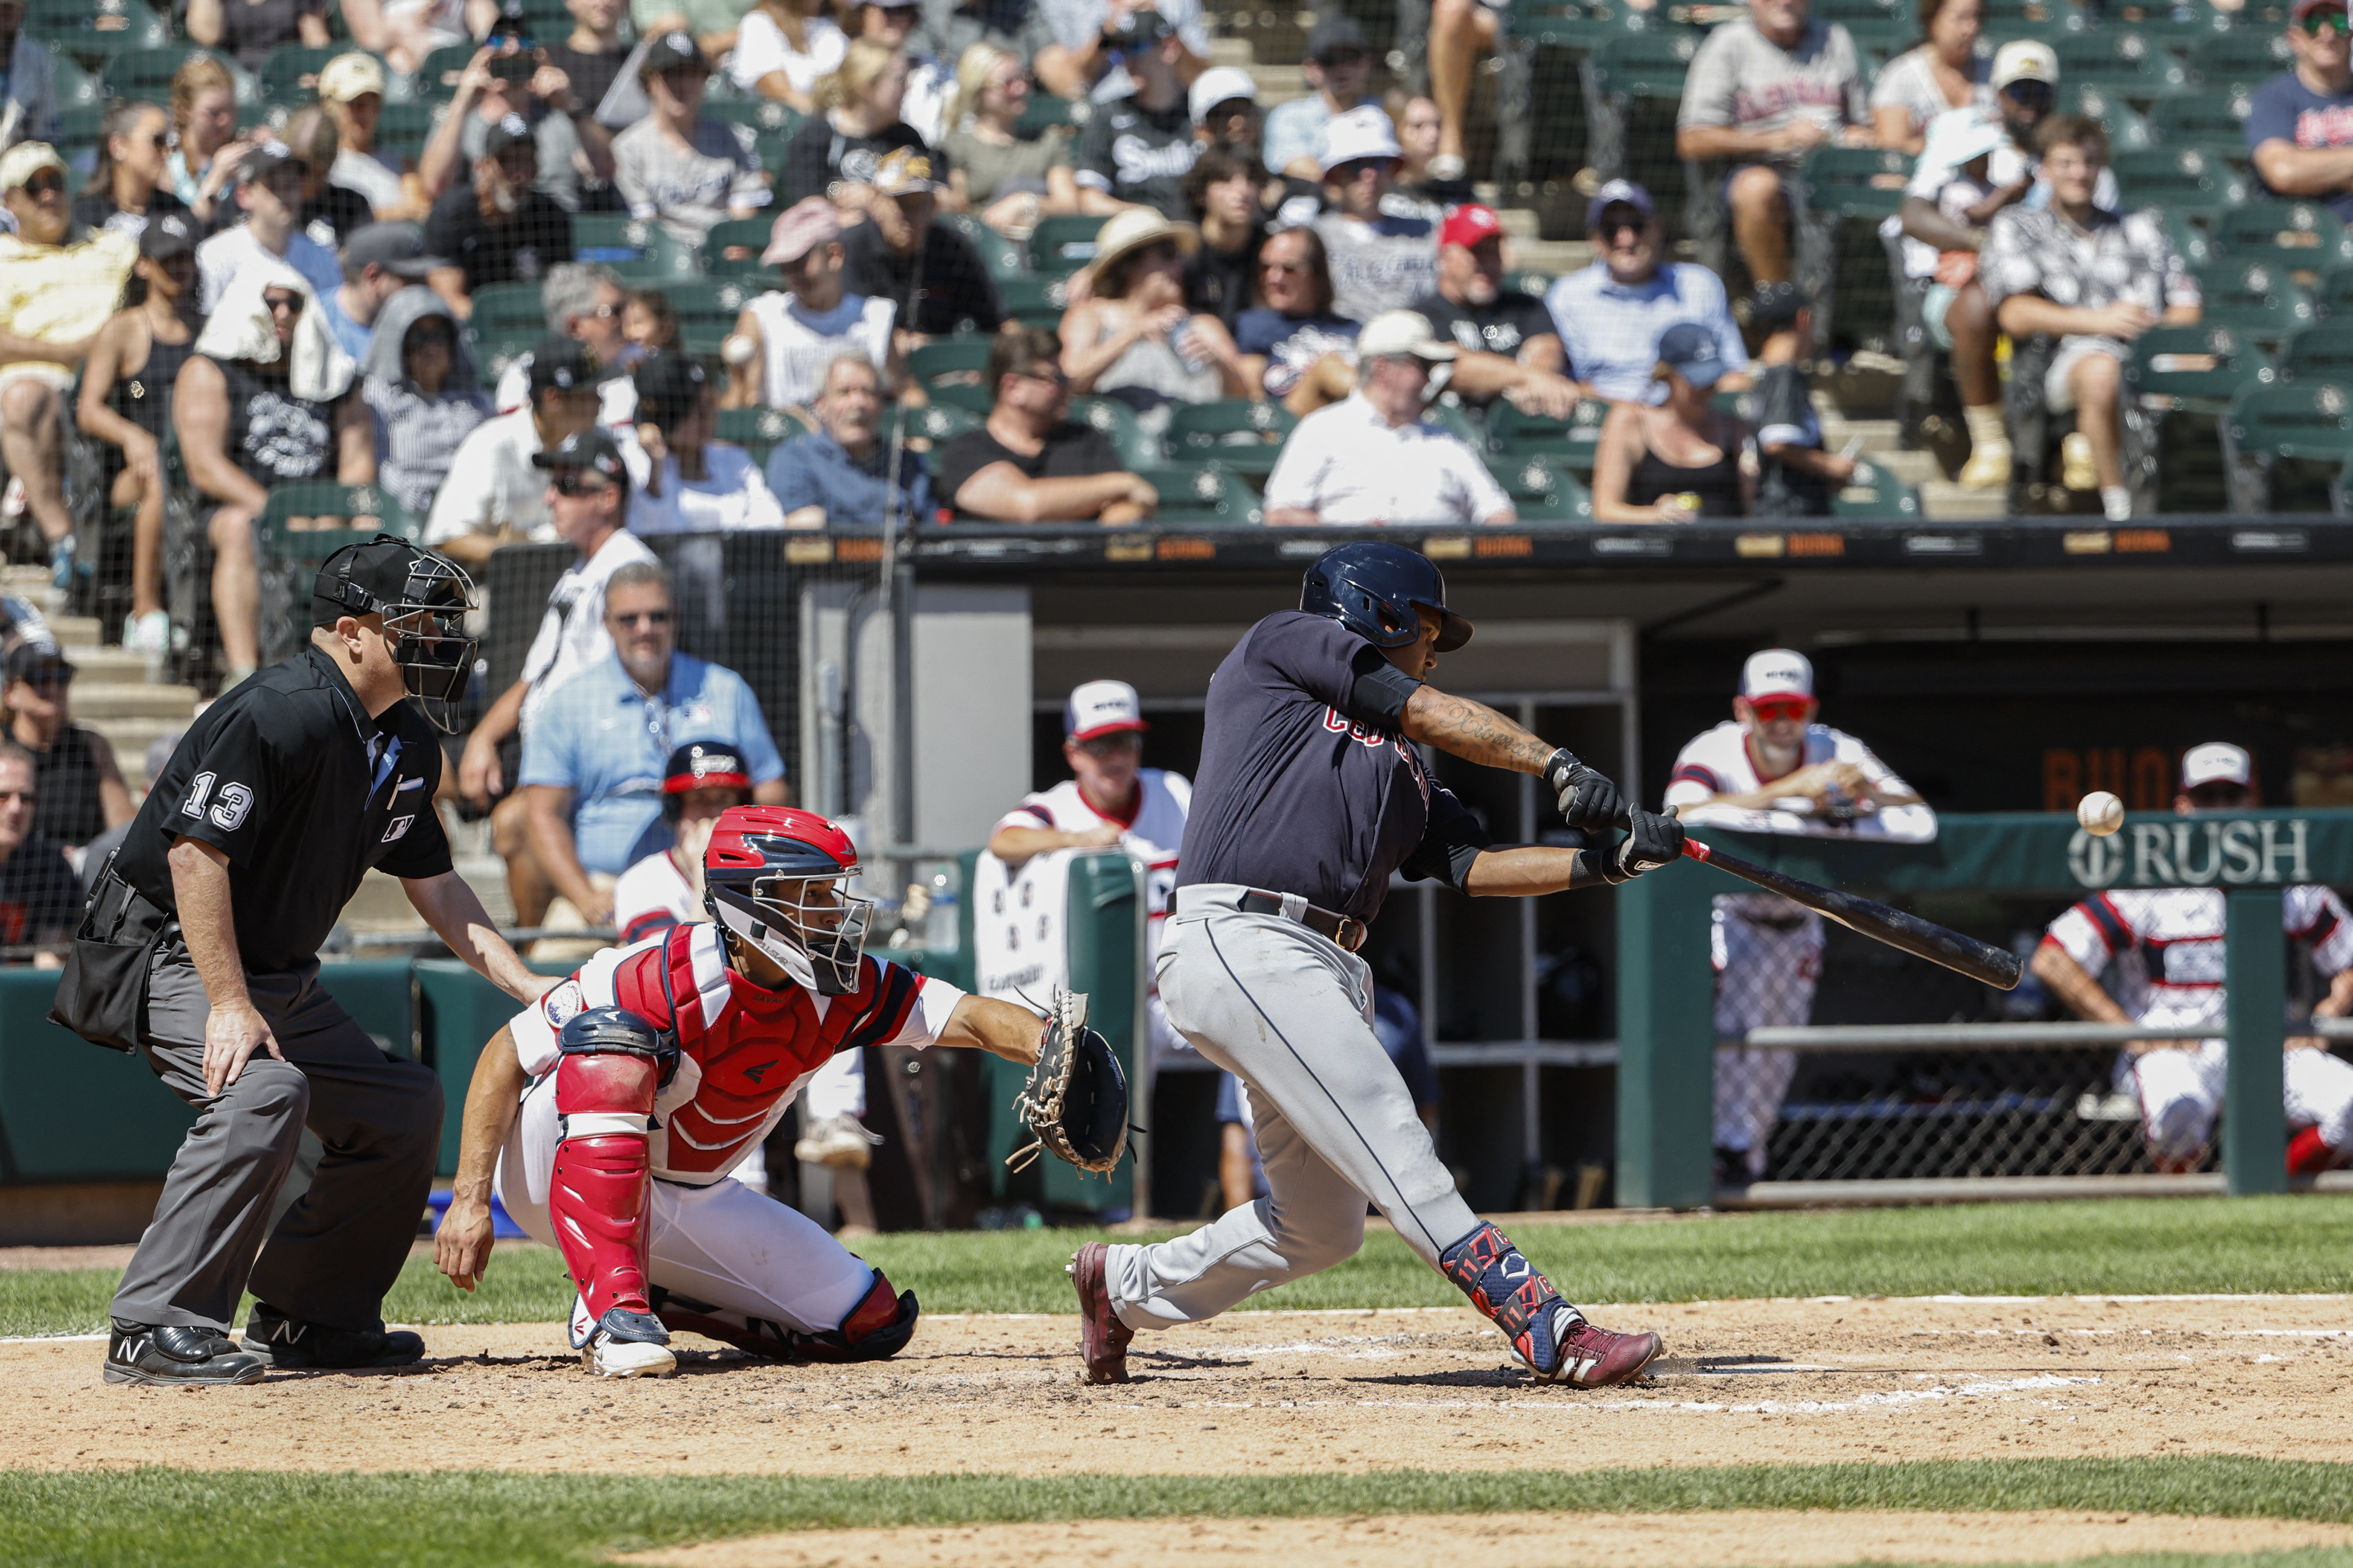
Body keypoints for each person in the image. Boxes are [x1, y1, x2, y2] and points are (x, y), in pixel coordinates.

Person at [1068, 542, 1677, 1388]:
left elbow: (1473, 865)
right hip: (1245, 937)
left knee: (1321, 1227)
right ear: (1377, 609)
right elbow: (1418, 704)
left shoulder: (1405, 772)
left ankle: (1124, 1288)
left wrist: (1607, 865)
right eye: (1428, 626)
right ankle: (1548, 1325)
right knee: (1392, 1127)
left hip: (1321, 965)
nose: (1434, 646)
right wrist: (1557, 763)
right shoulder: (1281, 645)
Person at [74, 539, 549, 1386]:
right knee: (264, 1089)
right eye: (418, 625)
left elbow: (438, 889)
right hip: (170, 952)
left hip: (275, 972)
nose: (440, 640)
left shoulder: (405, 741)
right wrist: (227, 1001)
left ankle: (310, 1315)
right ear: (352, 633)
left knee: (403, 1106)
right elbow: (193, 856)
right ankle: (152, 1326)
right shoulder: (277, 711)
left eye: (444, 624)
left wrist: (528, 985)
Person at [434, 805, 1048, 1379]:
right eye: (811, 893)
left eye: (831, 891)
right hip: (550, 1174)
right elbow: (505, 1053)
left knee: (870, 1323)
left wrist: (1051, 1048)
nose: (833, 910)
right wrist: (469, 1200)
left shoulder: (843, 983)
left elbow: (965, 1015)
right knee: (613, 1036)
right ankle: (613, 1312)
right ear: (751, 902)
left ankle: (658, 1295)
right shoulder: (659, 973)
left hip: (685, 1190)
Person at [1662, 647, 1928, 1187]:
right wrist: (1791, 793)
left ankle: (1744, 1169)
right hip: (1729, 919)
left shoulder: (1835, 749)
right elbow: (1676, 816)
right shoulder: (1712, 749)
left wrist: (1853, 805)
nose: (1782, 721)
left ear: (1810, 709)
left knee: (1773, 1059)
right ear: (1743, 710)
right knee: (1719, 1046)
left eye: (1793, 707)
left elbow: (1916, 819)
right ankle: (1696, 1169)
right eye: (1768, 709)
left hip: (1800, 925)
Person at [2034, 743, 2353, 1178]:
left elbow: (2349, 957)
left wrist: (2326, 1015)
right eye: (2208, 797)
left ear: (2252, 802)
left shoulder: (2285, 881)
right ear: (2183, 807)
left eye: (2231, 795)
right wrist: (2132, 1033)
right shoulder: (2149, 881)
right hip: (2176, 1049)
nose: (2220, 808)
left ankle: (2271, 1193)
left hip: (2267, 1047)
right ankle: (2184, 1204)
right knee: (2177, 1110)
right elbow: (2054, 958)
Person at [520, 559, 788, 934]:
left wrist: (749, 871)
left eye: (657, 617)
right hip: (605, 889)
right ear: (607, 623)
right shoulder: (569, 702)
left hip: (721, 882)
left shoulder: (727, 689)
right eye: (629, 619)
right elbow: (541, 814)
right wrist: (585, 898)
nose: (645, 629)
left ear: (675, 618)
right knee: (558, 978)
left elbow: (770, 788)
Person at [457, 428, 657, 925]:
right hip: (536, 742)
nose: (551, 497)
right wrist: (482, 738)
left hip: (588, 753)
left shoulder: (630, 570)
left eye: (567, 485)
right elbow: (534, 676)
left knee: (513, 823)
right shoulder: (579, 569)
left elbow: (626, 687)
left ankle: (532, 947)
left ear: (608, 497)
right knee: (410, 769)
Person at [1982, 115, 2199, 523]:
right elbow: (2015, 313)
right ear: (2044, 169)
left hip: (2148, 347)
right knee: (2104, 371)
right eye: (2066, 163)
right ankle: (2122, 506)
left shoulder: (2141, 227)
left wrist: (2154, 333)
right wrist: (2100, 322)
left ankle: (2200, 498)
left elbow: (2188, 305)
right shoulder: (2018, 226)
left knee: (2202, 366)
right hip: (2063, 358)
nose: (2079, 173)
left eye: (2089, 162)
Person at [175, 262, 373, 686]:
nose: (283, 314)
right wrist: (280, 513)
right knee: (239, 527)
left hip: (321, 515)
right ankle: (245, 672)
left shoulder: (336, 377)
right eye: (272, 303)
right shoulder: (212, 370)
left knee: (372, 529)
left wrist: (329, 518)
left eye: (294, 304)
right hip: (239, 512)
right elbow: (205, 467)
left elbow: (358, 465)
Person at [987, 678, 1189, 1064]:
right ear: (1074, 753)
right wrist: (1077, 838)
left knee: (1257, 1045)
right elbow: (1004, 840)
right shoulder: (1055, 806)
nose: (1116, 756)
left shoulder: (1172, 790)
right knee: (1119, 1109)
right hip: (1109, 1005)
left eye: (1126, 741)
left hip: (1180, 992)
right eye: (1101, 745)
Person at [0, 143, 140, 598]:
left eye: (54, 183)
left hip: (113, 382)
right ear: (10, 202)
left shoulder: (109, 245)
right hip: (28, 381)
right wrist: (67, 353)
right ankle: (62, 535)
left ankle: (32, 493)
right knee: (26, 397)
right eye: (33, 187)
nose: (48, 196)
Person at [1675, 0, 1872, 288]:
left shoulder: (1835, 38)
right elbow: (1692, 138)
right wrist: (1778, 140)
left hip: (1833, 175)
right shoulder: (1728, 44)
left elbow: (1863, 123)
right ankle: (1779, 303)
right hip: (1765, 172)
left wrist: (1856, 135)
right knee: (1756, 188)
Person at [78, 214, 202, 666]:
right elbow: (88, 408)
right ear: (145, 266)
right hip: (130, 477)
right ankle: (146, 611)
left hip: (199, 468)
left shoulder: (209, 329)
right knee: (155, 481)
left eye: (186, 258)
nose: (179, 269)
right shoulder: (125, 329)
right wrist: (132, 436)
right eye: (169, 260)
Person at [1263, 309, 1513, 528]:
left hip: (1440, 575)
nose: (1429, 380)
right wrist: (1348, 538)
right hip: (1351, 574)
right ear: (1382, 369)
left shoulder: (1447, 441)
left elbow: (1499, 513)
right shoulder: (1322, 429)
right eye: (1424, 367)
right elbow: (1280, 514)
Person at [1544, 180, 1751, 406]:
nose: (1627, 240)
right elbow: (1566, 382)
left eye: (1637, 225)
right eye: (1610, 230)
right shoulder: (1568, 295)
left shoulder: (1699, 285)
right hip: (1604, 419)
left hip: (1689, 417)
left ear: (1658, 228)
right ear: (1594, 240)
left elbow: (1734, 373)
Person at [935, 325, 1155, 522]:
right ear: (1013, 388)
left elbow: (1127, 506)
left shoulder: (1086, 442)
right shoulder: (967, 450)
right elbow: (1026, 506)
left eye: (1066, 379)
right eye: (1055, 380)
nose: (1067, 389)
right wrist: (1122, 483)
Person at [425, 336, 605, 565]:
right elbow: (446, 537)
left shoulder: (599, 443)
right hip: (495, 586)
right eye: (588, 395)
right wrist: (523, 559)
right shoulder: (491, 444)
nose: (600, 402)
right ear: (554, 399)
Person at [1059, 206, 1249, 416]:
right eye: (1167, 255)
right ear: (1130, 265)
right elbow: (1071, 381)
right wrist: (1133, 333)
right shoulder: (1092, 315)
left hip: (1203, 441)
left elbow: (1243, 402)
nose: (1179, 266)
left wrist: (1219, 364)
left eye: (1179, 257)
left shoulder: (1204, 325)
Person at [719, 198, 897, 414]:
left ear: (834, 255)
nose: (792, 274)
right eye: (785, 265)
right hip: (785, 444)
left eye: (800, 262)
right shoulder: (763, 316)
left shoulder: (875, 317)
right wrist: (738, 377)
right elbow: (743, 403)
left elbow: (906, 391)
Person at [1409, 202, 1577, 418]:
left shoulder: (1525, 305)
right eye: (1476, 251)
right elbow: (1453, 368)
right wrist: (1528, 379)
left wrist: (1536, 376)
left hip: (1521, 425)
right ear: (1445, 257)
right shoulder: (1425, 315)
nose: (1487, 262)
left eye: (1494, 250)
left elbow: (1547, 350)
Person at [614, 30, 772, 249]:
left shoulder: (736, 139)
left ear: (705, 81)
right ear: (649, 83)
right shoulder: (628, 148)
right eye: (670, 75)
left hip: (723, 254)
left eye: (690, 74)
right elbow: (646, 226)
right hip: (663, 258)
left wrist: (730, 251)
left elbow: (742, 221)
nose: (682, 85)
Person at [418, 32, 599, 215]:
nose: (510, 71)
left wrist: (570, 104)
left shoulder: (562, 118)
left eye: (521, 62)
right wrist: (462, 101)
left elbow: (605, 171)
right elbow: (434, 187)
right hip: (487, 224)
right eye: (499, 63)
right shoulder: (461, 121)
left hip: (556, 226)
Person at [1591, 322, 1755, 523]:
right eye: (1697, 380)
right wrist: (1655, 516)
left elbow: (1752, 513)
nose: (1706, 388)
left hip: (1724, 550)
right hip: (1654, 551)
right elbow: (1605, 510)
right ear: (1667, 374)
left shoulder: (1734, 427)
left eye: (1712, 379)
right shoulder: (1631, 421)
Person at [840, 147, 1005, 342]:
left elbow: (997, 322)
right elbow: (846, 324)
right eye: (901, 204)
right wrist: (896, 341)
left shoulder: (953, 247)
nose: (910, 217)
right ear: (877, 204)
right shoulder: (851, 247)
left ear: (934, 207)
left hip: (943, 362)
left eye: (920, 205)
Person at [362, 287, 494, 518]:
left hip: (470, 511)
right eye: (418, 338)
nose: (430, 348)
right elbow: (381, 466)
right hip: (405, 516)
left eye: (440, 337)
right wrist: (423, 506)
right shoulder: (378, 397)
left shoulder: (476, 399)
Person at [424, 117, 580, 306]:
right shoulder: (453, 213)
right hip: (473, 323)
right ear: (482, 167)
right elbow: (449, 297)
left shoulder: (550, 215)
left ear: (537, 168)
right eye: (506, 161)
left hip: (533, 317)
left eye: (526, 161)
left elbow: (563, 292)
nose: (518, 174)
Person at [613, 739, 755, 944]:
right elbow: (678, 968)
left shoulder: (762, 875)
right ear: (675, 810)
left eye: (723, 799)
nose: (714, 814)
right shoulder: (641, 881)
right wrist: (704, 873)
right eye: (699, 799)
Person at [766, 351, 932, 525]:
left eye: (867, 392)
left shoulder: (906, 463)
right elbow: (801, 527)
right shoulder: (796, 458)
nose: (858, 403)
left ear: (882, 404)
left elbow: (927, 527)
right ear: (820, 406)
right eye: (844, 392)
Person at [628, 353, 786, 531]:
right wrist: (656, 471)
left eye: (710, 405)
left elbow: (772, 520)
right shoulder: (643, 466)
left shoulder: (735, 460)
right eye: (693, 409)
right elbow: (651, 533)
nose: (706, 417)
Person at [1311, 107, 1438, 324]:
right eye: (1355, 165)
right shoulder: (1314, 238)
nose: (1369, 175)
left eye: (1379, 162)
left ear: (1392, 169)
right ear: (1336, 174)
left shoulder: (1427, 232)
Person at [6, 640, 130, 855]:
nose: (53, 687)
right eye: (39, 678)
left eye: (62, 677)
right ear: (11, 693)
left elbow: (123, 825)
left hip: (80, 875)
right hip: (13, 871)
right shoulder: (2, 746)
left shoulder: (91, 745)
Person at [941, 42, 1081, 234]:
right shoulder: (956, 145)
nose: (1021, 88)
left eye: (1023, 78)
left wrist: (1024, 202)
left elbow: (1069, 205)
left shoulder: (1048, 140)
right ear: (979, 89)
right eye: (1008, 83)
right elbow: (956, 208)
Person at [1072, 11, 1200, 218]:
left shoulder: (1198, 113)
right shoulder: (1109, 114)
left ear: (1170, 48)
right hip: (1134, 239)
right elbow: (1090, 199)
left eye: (1137, 47)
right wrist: (1147, 219)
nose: (1127, 61)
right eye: (1121, 51)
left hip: (1193, 237)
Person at [196, 141, 345, 313]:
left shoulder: (321, 257)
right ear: (244, 195)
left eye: (291, 185)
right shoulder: (217, 256)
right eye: (274, 187)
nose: (286, 196)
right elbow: (208, 330)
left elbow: (333, 324)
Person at [777, 40, 926, 210]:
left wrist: (875, 197)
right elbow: (806, 206)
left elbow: (934, 197)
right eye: (900, 79)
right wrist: (840, 199)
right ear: (866, 86)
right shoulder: (818, 135)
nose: (908, 87)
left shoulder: (907, 139)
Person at [1746, 281, 1851, 517]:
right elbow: (1777, 442)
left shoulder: (1765, 375)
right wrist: (1830, 466)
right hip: (1790, 518)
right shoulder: (1785, 375)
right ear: (1804, 319)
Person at [489, 262, 635, 430]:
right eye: (616, 311)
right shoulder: (524, 378)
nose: (629, 318)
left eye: (627, 308)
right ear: (575, 326)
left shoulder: (643, 363)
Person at [1233, 223, 1359, 413]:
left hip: (1347, 425)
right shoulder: (1253, 326)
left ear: (1316, 274)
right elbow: (1252, 399)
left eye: (1289, 269)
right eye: (1266, 268)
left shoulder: (1354, 329)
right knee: (1327, 367)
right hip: (1288, 428)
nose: (1274, 278)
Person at [2249, 0, 2353, 222]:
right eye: (2314, 23)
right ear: (2294, 38)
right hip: (2301, 231)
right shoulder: (2275, 97)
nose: (2328, 35)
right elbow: (2283, 171)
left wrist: (2314, 169)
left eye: (2339, 22)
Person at [1261, 14, 1374, 183]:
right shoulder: (1289, 116)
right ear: (1312, 68)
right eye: (1330, 59)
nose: (1342, 67)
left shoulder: (1384, 112)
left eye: (1351, 58)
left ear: (1367, 63)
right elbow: (1293, 164)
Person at [1870, 0, 1989, 156]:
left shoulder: (1994, 73)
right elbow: (1892, 150)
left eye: (1976, 17)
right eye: (1960, 18)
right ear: (1932, 19)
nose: (1971, 29)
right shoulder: (1901, 76)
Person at [318, 52, 427, 223]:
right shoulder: (320, 166)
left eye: (373, 103)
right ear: (331, 107)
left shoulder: (403, 165)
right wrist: (397, 213)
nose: (367, 113)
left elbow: (419, 209)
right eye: (356, 104)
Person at [1034, 0, 1209, 103]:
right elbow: (1069, 81)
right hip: (1102, 111)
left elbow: (1200, 76)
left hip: (1168, 110)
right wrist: (1106, 36)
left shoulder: (1177, 3)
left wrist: (1161, 25)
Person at [322, 221, 450, 362]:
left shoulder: (423, 328)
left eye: (422, 280)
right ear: (374, 278)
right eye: (409, 280)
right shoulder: (315, 318)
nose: (419, 289)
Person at [0, 738, 78, 962]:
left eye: (26, 798)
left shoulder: (51, 866)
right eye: (3, 796)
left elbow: (51, 958)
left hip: (22, 990)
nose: (16, 808)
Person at [72, 101, 191, 244]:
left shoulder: (177, 212)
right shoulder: (84, 217)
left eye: (167, 142)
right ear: (119, 146)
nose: (166, 152)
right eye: (158, 140)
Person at [849, 0, 956, 146]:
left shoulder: (939, 72)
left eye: (908, 10)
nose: (900, 19)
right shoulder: (839, 60)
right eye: (889, 11)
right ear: (862, 13)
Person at [1180, 146, 1263, 330]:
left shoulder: (1272, 252)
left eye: (1250, 180)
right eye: (1225, 181)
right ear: (1201, 194)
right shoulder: (1183, 253)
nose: (1242, 191)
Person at [165, 56, 253, 230]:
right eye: (214, 113)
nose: (225, 120)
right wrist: (218, 175)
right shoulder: (169, 163)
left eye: (231, 109)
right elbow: (186, 229)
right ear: (186, 111)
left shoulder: (244, 155)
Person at [284, 105, 379, 254]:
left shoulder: (353, 206)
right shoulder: (273, 202)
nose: (299, 179)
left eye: (307, 171)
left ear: (330, 164)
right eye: (293, 167)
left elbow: (362, 264)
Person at [729, 0, 849, 112]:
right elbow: (784, 94)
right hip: (781, 129)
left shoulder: (835, 25)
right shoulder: (760, 22)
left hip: (836, 124)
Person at [186, 0, 330, 72]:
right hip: (232, 76)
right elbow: (207, 35)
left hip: (285, 75)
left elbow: (315, 40)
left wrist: (312, 70)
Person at [1388, 91, 1472, 210]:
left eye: (1438, 125)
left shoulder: (1458, 193)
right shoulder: (1381, 195)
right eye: (1418, 126)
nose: (1434, 135)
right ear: (1395, 131)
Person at [0, 0, 58, 160]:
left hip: (20, 166)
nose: (7, 12)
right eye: (2, 7)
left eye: (12, 6)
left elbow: (46, 131)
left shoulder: (37, 57)